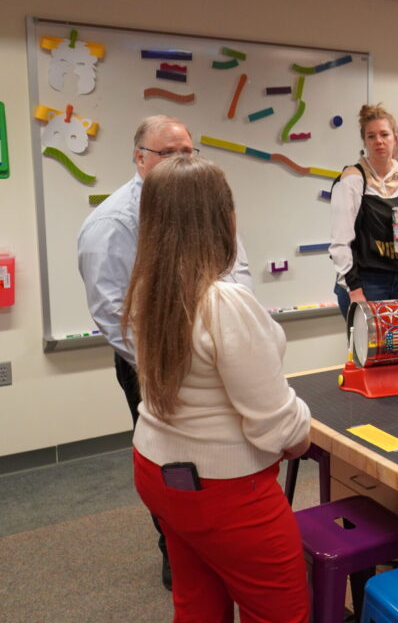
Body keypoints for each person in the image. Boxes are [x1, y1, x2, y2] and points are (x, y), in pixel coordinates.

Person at [125, 155, 312, 621]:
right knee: (281, 612)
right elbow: (277, 425)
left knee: (197, 601)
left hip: (157, 471)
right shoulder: (223, 301)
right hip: (226, 493)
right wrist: (300, 435)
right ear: (221, 218)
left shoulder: (148, 289)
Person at [76, 114, 251, 590]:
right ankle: (174, 549)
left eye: (188, 152)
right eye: (169, 153)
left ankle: (217, 542)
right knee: (169, 460)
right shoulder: (111, 224)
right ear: (140, 159)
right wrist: (172, 363)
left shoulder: (203, 207)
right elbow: (113, 314)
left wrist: (237, 332)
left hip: (215, 356)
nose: (183, 161)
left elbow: (238, 268)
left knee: (216, 453)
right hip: (152, 365)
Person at [330, 103, 398, 321]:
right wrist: (354, 290)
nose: (379, 141)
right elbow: (340, 243)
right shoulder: (353, 180)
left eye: (384, 134)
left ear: (395, 138)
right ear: (364, 141)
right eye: (371, 136)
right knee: (372, 352)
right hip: (367, 281)